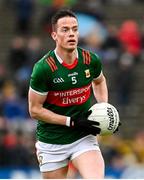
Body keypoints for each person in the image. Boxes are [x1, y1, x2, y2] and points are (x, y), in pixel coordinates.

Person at [28, 8, 108, 179]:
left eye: (75, 29)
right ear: (54, 35)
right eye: (65, 30)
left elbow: (99, 81)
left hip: (83, 136)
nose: (71, 34)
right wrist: (71, 122)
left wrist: (104, 108)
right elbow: (34, 110)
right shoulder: (43, 68)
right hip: (52, 140)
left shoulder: (90, 60)